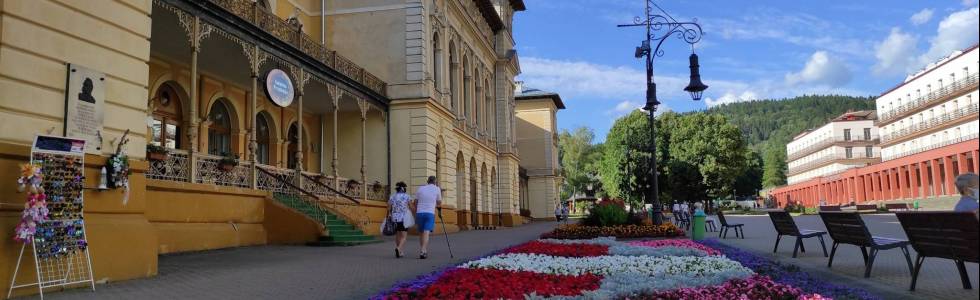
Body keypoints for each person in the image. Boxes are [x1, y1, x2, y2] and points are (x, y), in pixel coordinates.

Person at [413, 176, 442, 259]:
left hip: (419, 213)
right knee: (426, 232)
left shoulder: (421, 188)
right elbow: (439, 203)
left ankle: (423, 250)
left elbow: (415, 201)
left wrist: (416, 211)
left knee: (421, 233)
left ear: (427, 181)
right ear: (435, 182)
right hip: (430, 213)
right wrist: (440, 213)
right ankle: (423, 250)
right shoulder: (437, 189)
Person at [387, 182, 411, 258]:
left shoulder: (392, 196)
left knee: (397, 234)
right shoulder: (407, 196)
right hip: (404, 218)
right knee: (404, 236)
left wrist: (389, 215)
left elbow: (389, 207)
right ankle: (398, 248)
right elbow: (411, 206)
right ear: (403, 188)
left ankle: (400, 252)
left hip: (394, 218)